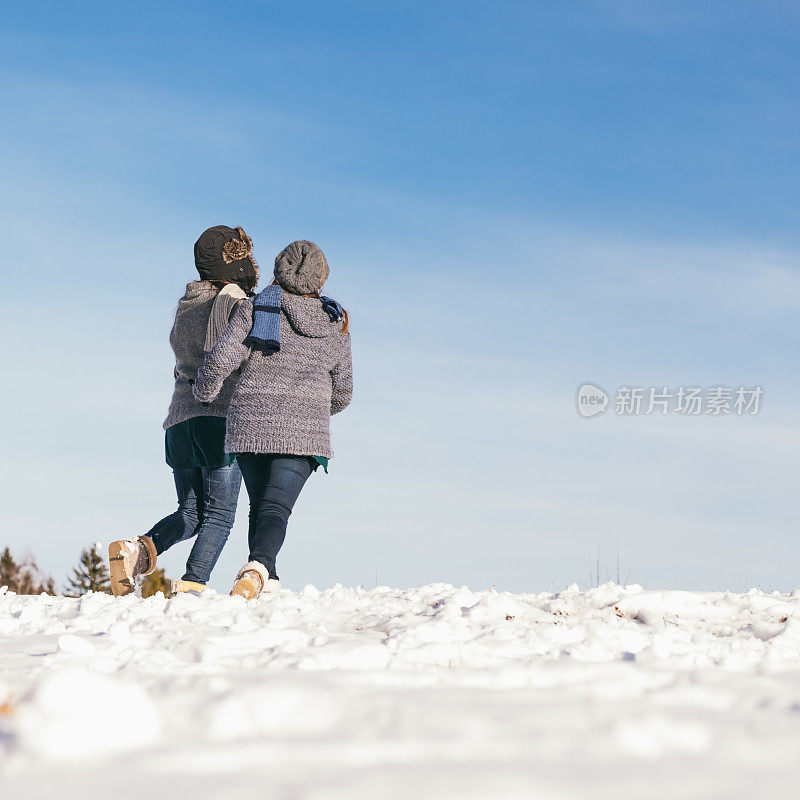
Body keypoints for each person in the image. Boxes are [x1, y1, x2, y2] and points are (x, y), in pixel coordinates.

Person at [192, 240, 353, 598]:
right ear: (321, 279)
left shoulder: (257, 307)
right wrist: (308, 410)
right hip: (303, 432)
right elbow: (343, 392)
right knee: (275, 507)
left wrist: (203, 390)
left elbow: (221, 359)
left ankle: (268, 582)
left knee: (261, 506)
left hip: (250, 425)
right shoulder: (335, 321)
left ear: (279, 269)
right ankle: (257, 568)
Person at [108, 226, 259, 596]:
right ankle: (193, 584)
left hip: (179, 421)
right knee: (220, 516)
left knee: (190, 513)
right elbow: (233, 358)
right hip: (218, 417)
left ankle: (138, 549)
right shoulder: (235, 303)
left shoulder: (186, 304)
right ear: (234, 260)